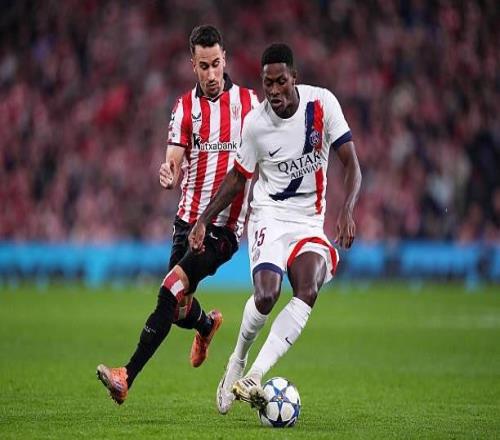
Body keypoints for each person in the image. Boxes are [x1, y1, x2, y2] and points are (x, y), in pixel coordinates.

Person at [189, 43, 362, 413]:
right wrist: (204, 219)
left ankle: (254, 375)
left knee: (309, 287)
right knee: (267, 295)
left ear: (294, 77)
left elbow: (352, 163)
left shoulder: (323, 105)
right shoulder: (256, 125)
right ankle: (237, 359)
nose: (274, 90)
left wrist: (347, 208)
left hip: (309, 222)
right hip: (269, 215)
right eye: (267, 83)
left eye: (281, 81)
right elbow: (238, 178)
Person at [96, 24, 259, 405]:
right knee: (177, 307)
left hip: (222, 228)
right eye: (203, 66)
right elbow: (173, 156)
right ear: (193, 65)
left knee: (170, 288)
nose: (211, 74)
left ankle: (126, 376)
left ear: (225, 60)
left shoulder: (250, 105)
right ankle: (206, 324)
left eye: (216, 64)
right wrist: (169, 171)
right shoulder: (185, 107)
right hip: (186, 222)